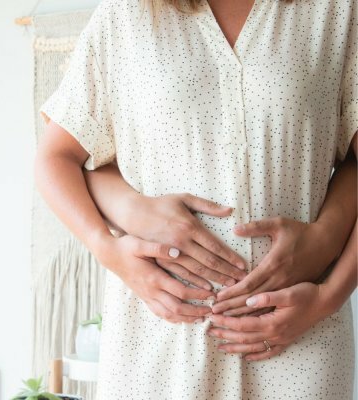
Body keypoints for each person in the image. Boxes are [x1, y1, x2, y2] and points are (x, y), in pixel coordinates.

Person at [34, 0, 358, 398]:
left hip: (298, 338)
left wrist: (329, 295)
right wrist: (109, 250)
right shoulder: (126, 15)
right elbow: (57, 158)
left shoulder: (336, 11)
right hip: (157, 346)